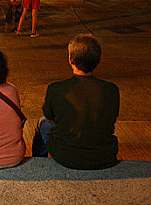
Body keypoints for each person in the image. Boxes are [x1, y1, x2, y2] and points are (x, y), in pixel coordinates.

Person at [32, 34, 120, 170]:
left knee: (42, 123)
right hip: (104, 156)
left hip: (66, 156)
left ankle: (39, 163)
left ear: (70, 60)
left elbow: (49, 116)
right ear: (99, 60)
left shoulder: (56, 89)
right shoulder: (111, 89)